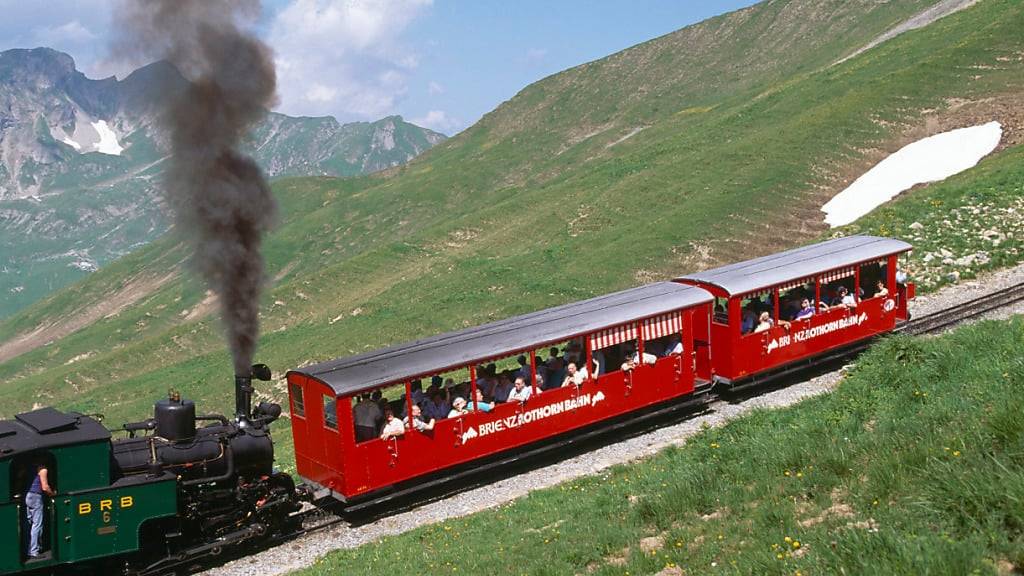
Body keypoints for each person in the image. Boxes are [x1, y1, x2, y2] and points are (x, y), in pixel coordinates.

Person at [25, 461, 54, 558]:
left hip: (28, 496)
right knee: (37, 524)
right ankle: (34, 551)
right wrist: (53, 494)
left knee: (31, 523)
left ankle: (30, 548)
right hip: (36, 497)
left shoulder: (31, 468)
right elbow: (45, 487)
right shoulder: (43, 469)